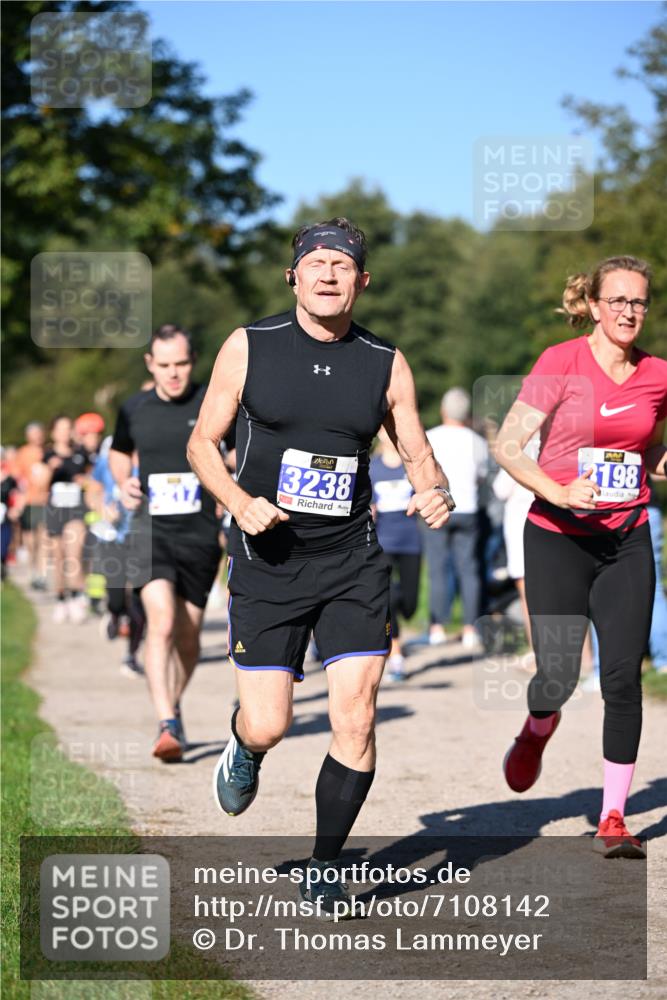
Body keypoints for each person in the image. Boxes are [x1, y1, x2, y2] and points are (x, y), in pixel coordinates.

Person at [187, 217, 455, 918]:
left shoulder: (385, 361)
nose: (329, 273)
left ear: (362, 281)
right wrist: (239, 502)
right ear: (294, 275)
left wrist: (434, 489)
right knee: (271, 723)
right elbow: (201, 445)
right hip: (267, 558)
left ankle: (325, 866)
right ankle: (245, 746)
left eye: (342, 264)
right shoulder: (249, 347)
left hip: (350, 562)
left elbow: (414, 445)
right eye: (316, 263)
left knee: (357, 716)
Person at [495, 255, 666, 859]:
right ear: (594, 305)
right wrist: (558, 490)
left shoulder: (658, 375)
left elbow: (651, 451)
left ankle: (614, 816)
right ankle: (537, 727)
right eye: (617, 301)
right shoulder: (558, 363)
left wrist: (658, 464)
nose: (628, 312)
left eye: (639, 302)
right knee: (560, 676)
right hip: (557, 536)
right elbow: (508, 444)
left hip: (627, 538)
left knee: (621, 677)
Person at [109, 324, 223, 761]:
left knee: (189, 638)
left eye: (181, 364)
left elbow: (237, 451)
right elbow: (119, 452)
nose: (173, 374)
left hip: (198, 535)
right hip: (148, 530)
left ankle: (172, 704)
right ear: (150, 364)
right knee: (160, 622)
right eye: (164, 365)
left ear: (192, 363)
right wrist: (123, 483)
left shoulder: (213, 403)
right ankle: (167, 723)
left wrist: (226, 483)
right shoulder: (134, 408)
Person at [423, 387, 489, 651]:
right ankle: (470, 628)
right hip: (469, 508)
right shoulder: (478, 441)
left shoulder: (431, 437)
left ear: (443, 410)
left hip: (437, 507)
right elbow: (482, 476)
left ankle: (437, 627)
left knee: (437, 567)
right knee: (469, 569)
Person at [370, 427, 422, 681]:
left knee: (410, 604)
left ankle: (399, 608)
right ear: (379, 435)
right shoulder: (372, 467)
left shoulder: (410, 467)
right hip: (384, 542)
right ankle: (397, 655)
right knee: (388, 597)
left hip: (411, 541)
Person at [43, 416, 91, 624]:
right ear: (53, 432)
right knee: (59, 557)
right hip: (55, 511)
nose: (64, 432)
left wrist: (84, 482)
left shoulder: (81, 454)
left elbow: (93, 481)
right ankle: (61, 599)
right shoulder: (47, 455)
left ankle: (77, 595)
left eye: (67, 428)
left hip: (76, 510)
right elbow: (38, 487)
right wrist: (49, 470)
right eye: (60, 428)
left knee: (74, 553)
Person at [13, 422, 50, 590]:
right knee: (30, 539)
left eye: (39, 433)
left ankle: (41, 574)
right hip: (29, 501)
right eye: (33, 433)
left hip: (45, 501)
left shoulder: (48, 452)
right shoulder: (23, 453)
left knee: (43, 538)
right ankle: (32, 569)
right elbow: (17, 477)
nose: (37, 436)